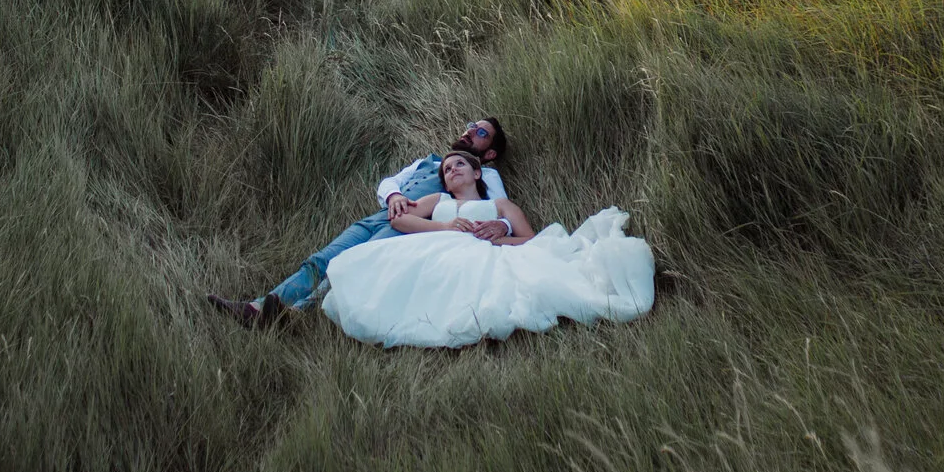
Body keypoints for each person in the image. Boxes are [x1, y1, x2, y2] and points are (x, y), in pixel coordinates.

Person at [320, 150, 653, 348]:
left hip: (488, 253)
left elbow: (530, 240)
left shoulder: (500, 205)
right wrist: (444, 227)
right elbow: (401, 221)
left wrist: (498, 239)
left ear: (477, 172)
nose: (452, 171)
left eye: (459, 166)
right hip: (439, 246)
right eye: (447, 170)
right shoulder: (439, 201)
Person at [206, 117, 511, 326]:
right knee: (321, 259)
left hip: (411, 230)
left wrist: (505, 227)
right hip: (381, 216)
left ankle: (296, 315)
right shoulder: (428, 161)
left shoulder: (489, 175)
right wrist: (392, 197)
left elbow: (496, 212)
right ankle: (258, 307)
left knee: (348, 267)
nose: (470, 131)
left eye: (481, 132)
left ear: (490, 153)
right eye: (471, 126)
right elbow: (390, 181)